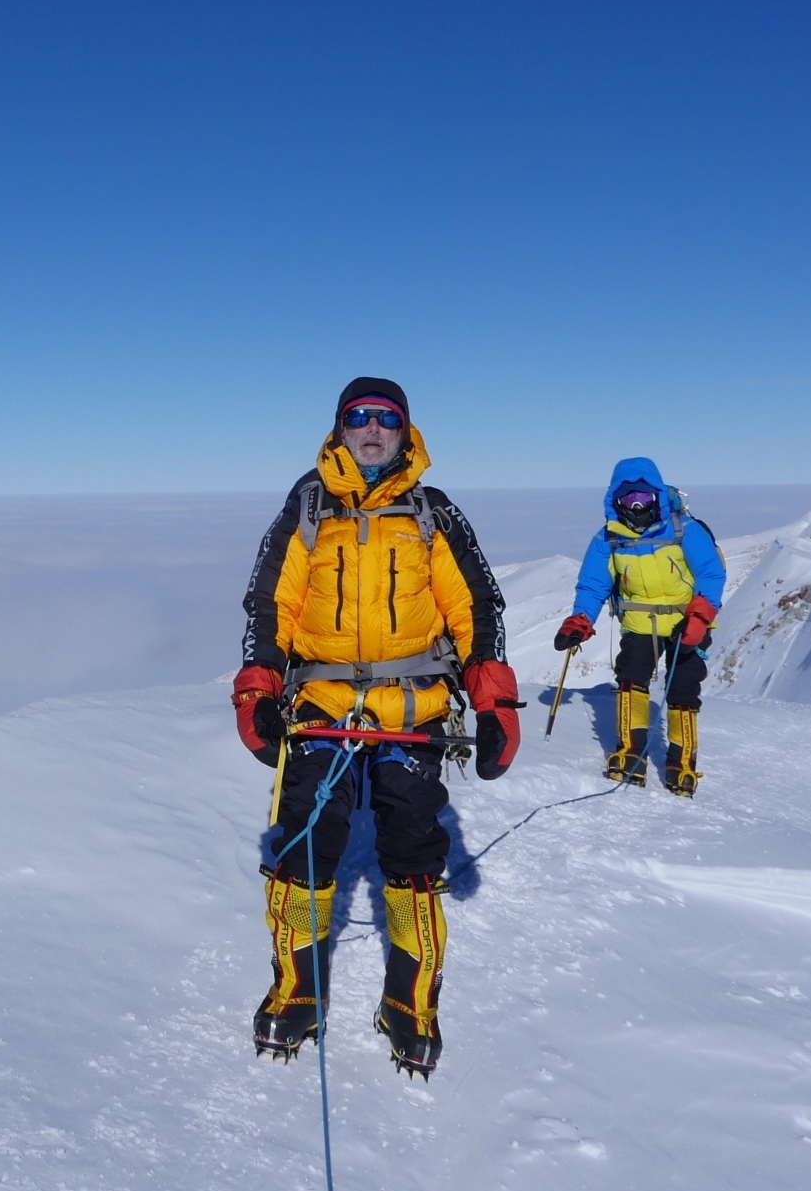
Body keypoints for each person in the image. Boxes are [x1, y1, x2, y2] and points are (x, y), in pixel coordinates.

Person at [232, 377, 517, 1078]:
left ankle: (410, 1002)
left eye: (385, 419)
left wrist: (493, 700)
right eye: (357, 417)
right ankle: (296, 990)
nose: (370, 429)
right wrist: (256, 687)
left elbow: (474, 607)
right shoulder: (306, 507)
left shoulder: (432, 511)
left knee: (414, 852)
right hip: (322, 708)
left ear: (403, 431)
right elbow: (270, 605)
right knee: (302, 842)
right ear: (337, 428)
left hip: (413, 708)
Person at [550, 459, 726, 796]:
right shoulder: (608, 539)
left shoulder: (684, 529)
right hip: (638, 623)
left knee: (683, 689)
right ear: (614, 500)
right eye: (628, 498)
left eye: (643, 498)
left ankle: (681, 764)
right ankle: (630, 753)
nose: (635, 505)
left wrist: (701, 616)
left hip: (686, 622)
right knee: (631, 679)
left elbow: (711, 573)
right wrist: (581, 620)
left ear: (657, 496)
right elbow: (593, 585)